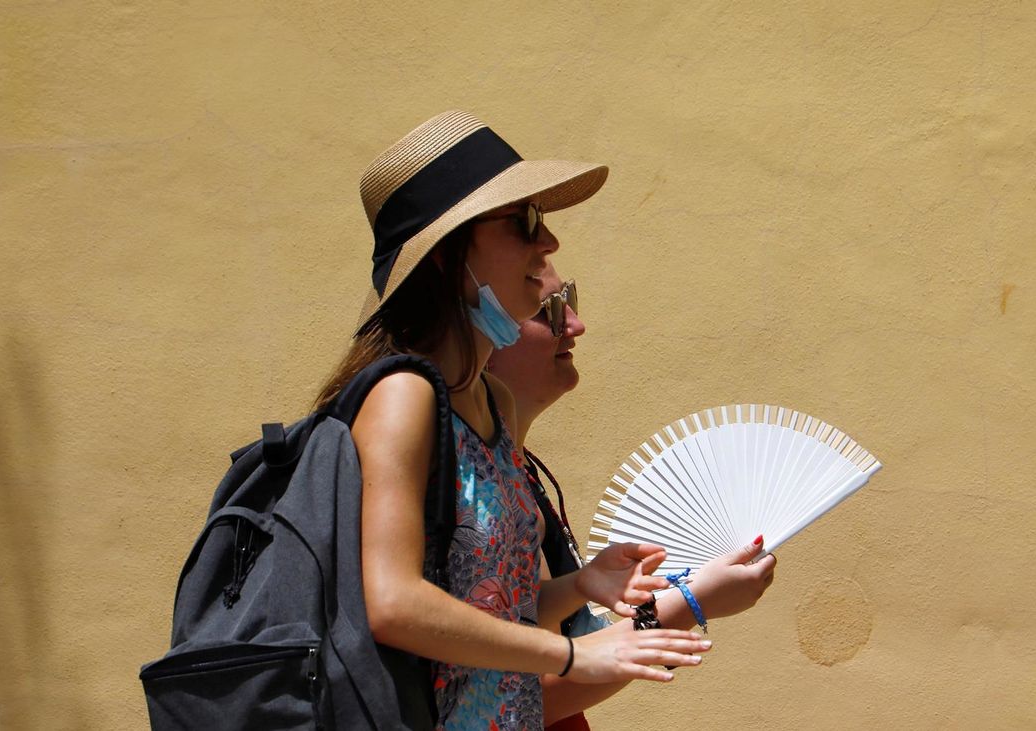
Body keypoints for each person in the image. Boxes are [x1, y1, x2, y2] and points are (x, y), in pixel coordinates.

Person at [315, 111, 713, 730]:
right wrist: (575, 653)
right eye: (524, 222)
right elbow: (392, 603)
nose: (548, 243)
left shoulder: (492, 401)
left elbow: (488, 610)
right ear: (448, 256)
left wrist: (578, 587)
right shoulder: (403, 395)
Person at [487, 265, 779, 729]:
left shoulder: (514, 468)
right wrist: (689, 603)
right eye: (550, 311)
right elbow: (527, 696)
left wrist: (584, 589)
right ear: (484, 332)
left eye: (571, 299)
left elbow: (543, 635)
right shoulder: (482, 492)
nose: (576, 325)